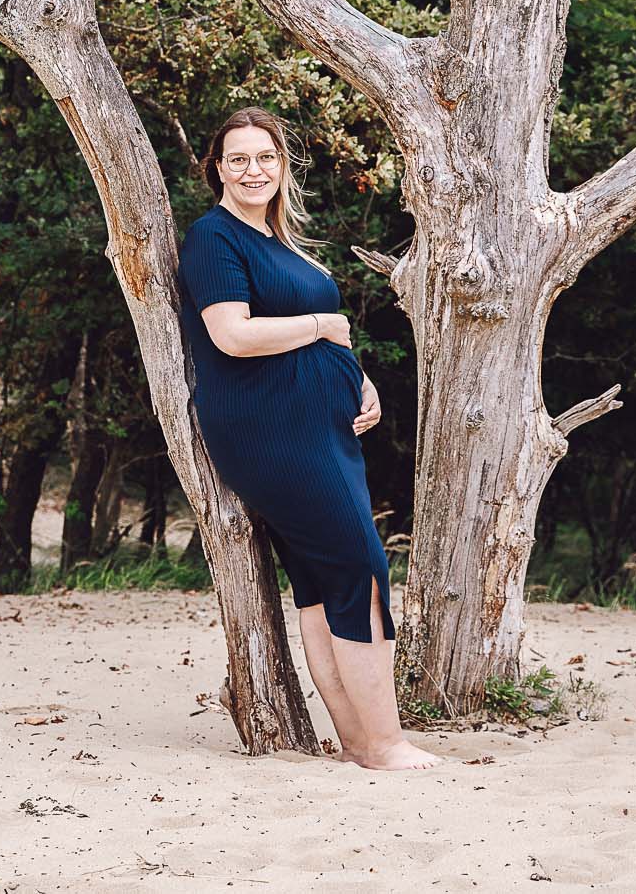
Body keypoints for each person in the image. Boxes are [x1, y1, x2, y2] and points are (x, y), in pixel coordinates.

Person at [176, 106, 441, 771]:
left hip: (318, 425)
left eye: (264, 156)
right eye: (237, 158)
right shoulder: (215, 238)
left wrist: (361, 381)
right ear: (218, 168)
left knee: (324, 582)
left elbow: (324, 336)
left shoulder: (280, 240)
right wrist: (327, 326)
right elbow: (232, 335)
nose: (252, 169)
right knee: (361, 567)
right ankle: (385, 741)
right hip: (271, 430)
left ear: (282, 165)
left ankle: (360, 742)